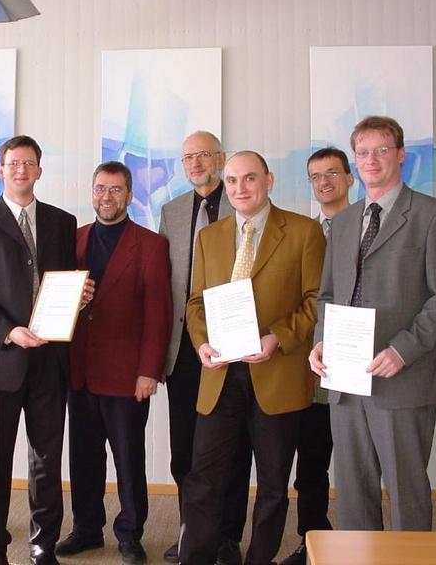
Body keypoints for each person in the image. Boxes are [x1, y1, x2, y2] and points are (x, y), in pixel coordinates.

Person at [309, 115, 436, 531]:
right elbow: (327, 296)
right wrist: (321, 342)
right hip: (345, 379)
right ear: (355, 161)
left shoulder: (434, 216)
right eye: (363, 152)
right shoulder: (342, 223)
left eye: (381, 150)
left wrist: (402, 350)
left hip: (404, 377)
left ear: (400, 155)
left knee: (405, 488)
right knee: (353, 491)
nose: (371, 160)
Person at [179, 151, 325, 565]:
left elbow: (316, 302)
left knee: (274, 483)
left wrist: (277, 338)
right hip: (221, 374)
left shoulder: (304, 232)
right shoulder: (210, 237)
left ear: (269, 180)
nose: (240, 188)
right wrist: (203, 342)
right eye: (231, 181)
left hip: (276, 374)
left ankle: (259, 559)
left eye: (249, 179)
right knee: (204, 477)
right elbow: (195, 304)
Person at [0, 135, 93, 565]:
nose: (20, 170)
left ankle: (43, 544)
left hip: (49, 362)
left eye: (28, 163)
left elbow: (62, 283)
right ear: (0, 170)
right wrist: (8, 330)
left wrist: (80, 296)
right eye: (12, 163)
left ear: (39, 170)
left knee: (47, 462)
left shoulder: (61, 221)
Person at [56, 161, 172, 564]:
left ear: (130, 195)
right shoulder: (73, 240)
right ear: (92, 192)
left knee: (128, 460)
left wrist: (148, 371)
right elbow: (53, 303)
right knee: (83, 459)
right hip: (80, 372)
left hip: (127, 376)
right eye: (101, 189)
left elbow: (159, 313)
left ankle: (130, 534)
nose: (107, 197)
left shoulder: (151, 245)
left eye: (116, 190)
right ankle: (87, 530)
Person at [157, 131, 251, 565]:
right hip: (186, 350)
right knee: (186, 452)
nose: (195, 163)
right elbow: (165, 287)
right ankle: (190, 534)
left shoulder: (245, 204)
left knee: (231, 451)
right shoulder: (172, 211)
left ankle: (227, 538)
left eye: (203, 155)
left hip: (234, 348)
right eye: (187, 156)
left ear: (222, 158)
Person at [278, 147, 354, 565]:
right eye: (314, 176)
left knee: (361, 466)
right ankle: (311, 544)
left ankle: (367, 543)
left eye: (332, 173)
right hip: (306, 369)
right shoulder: (302, 232)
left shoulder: (366, 226)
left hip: (356, 365)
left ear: (349, 178)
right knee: (310, 465)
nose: (323, 182)